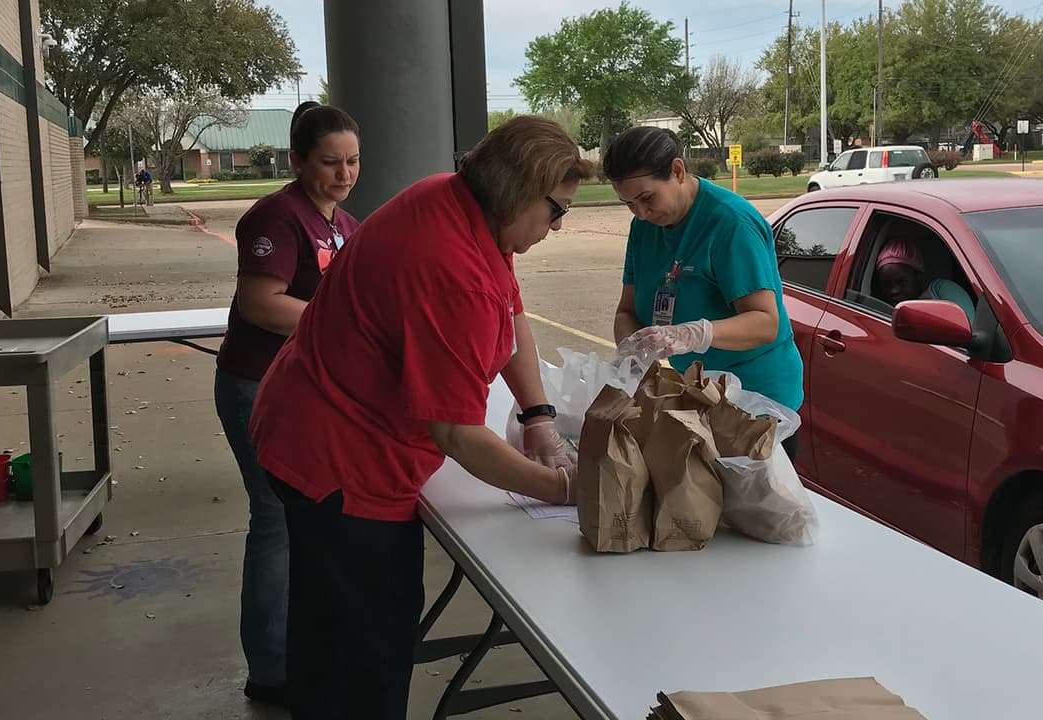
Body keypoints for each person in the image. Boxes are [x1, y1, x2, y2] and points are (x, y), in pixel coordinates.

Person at [249, 115, 590, 718]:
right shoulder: (452, 270)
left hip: (313, 422)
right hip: (341, 462)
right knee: (365, 645)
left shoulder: (459, 202)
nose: (556, 227)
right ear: (518, 192)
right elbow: (457, 433)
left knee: (331, 625)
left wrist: (538, 416)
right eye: (556, 210)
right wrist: (562, 486)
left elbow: (513, 316)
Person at [212, 100, 358, 709]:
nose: (344, 173)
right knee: (275, 520)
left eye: (352, 160)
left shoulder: (342, 222)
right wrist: (344, 325)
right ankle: (271, 670)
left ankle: (303, 649)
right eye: (329, 162)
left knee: (307, 524)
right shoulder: (276, 216)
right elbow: (261, 304)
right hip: (257, 386)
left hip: (307, 392)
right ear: (297, 160)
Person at [604, 126, 805, 458]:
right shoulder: (644, 228)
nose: (640, 213)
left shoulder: (730, 224)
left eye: (647, 198)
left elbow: (765, 322)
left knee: (751, 505)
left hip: (756, 400)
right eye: (628, 204)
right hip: (698, 391)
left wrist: (696, 333)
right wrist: (631, 351)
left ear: (678, 171)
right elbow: (627, 312)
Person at [873, 236, 976, 325]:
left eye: (901, 283)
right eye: (886, 285)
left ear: (918, 276)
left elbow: (968, 330)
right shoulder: (880, 316)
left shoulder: (940, 291)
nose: (894, 291)